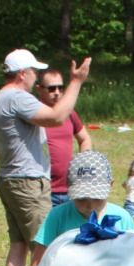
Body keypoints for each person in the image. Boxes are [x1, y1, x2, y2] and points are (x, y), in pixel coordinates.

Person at [0, 49, 91, 266]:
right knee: (43, 248)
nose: (36, 77)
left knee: (18, 246)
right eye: (33, 72)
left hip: (8, 178)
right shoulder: (17, 98)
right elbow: (57, 117)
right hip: (28, 183)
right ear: (22, 74)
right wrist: (76, 82)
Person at [30, 150, 134, 266]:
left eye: (97, 198)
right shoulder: (57, 216)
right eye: (81, 199)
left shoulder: (122, 217)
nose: (89, 206)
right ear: (68, 187)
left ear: (110, 185)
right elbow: (37, 265)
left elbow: (133, 260)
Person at [33, 68, 91, 207]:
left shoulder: (69, 113)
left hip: (71, 189)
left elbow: (85, 139)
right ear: (39, 89)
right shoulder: (33, 114)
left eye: (61, 87)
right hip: (44, 191)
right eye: (52, 89)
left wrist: (81, 167)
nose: (57, 93)